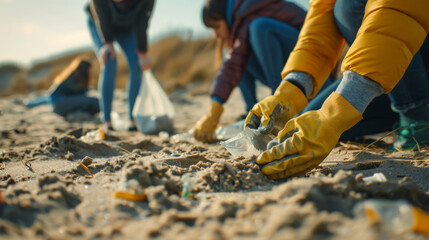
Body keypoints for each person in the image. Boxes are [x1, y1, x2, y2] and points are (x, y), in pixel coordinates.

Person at [245, 0, 429, 179]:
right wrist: (290, 92)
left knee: (350, 5)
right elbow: (320, 23)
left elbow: (397, 10)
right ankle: (400, 105)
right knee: (310, 126)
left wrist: (334, 115)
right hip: (392, 62)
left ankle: (417, 115)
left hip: (408, 29)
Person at [194, 0, 308, 142]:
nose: (216, 34)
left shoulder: (249, 8)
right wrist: (214, 107)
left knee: (259, 28)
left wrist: (215, 110)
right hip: (290, 71)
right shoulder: (241, 15)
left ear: (226, 16)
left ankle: (278, 109)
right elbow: (234, 63)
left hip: (310, 73)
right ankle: (252, 114)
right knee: (238, 54)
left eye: (217, 27)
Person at [86, 0, 155, 131]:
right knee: (110, 60)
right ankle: (106, 120)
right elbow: (101, 17)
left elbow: (142, 22)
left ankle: (133, 119)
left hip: (127, 28)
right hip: (100, 22)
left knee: (137, 65)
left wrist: (143, 53)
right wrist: (107, 43)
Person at [25, 58, 100, 117]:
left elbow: (49, 96)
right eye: (89, 70)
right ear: (84, 70)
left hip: (55, 103)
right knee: (95, 101)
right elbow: (81, 94)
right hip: (59, 105)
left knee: (88, 101)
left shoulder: (68, 77)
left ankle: (29, 103)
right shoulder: (74, 79)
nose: (91, 72)